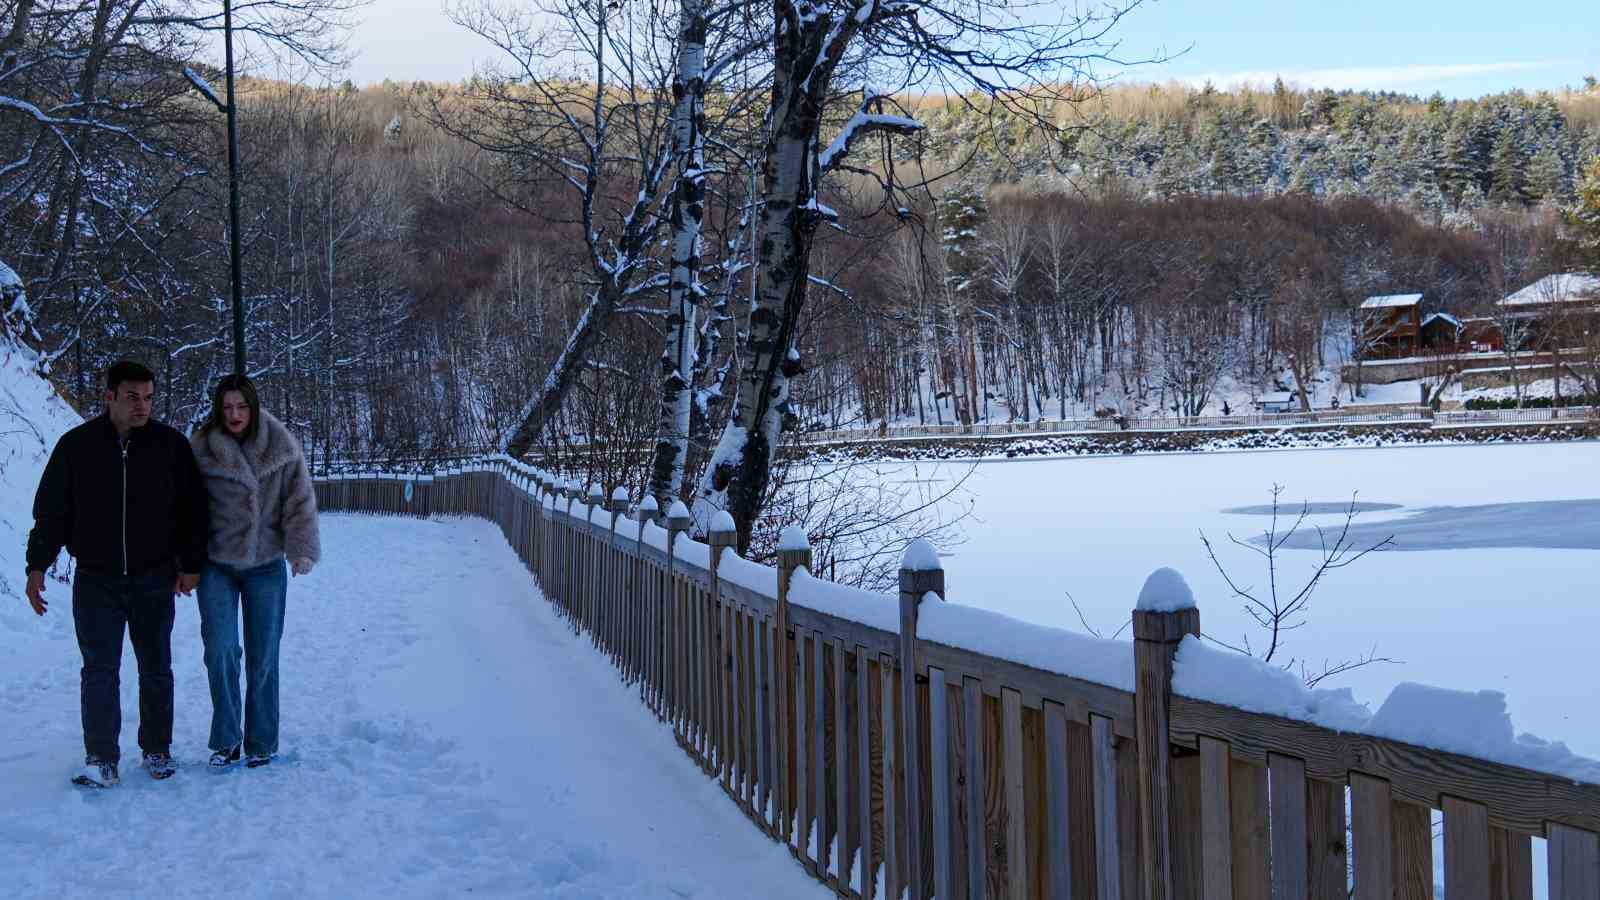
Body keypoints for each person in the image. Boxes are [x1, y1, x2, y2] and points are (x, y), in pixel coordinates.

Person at [25, 361, 210, 788]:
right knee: (99, 670)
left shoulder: (171, 446)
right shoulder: (76, 447)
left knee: (156, 667)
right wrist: (37, 566)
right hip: (96, 579)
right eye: (132, 396)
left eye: (148, 397)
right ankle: (101, 758)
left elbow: (193, 511)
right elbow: (51, 512)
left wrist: (191, 564)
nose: (142, 405)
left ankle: (157, 750)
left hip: (154, 576)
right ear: (109, 396)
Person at [191, 374, 320, 769]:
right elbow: (184, 507)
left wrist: (300, 550)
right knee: (221, 650)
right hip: (217, 565)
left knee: (263, 656)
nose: (234, 414)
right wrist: (182, 561)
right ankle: (226, 739)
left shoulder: (281, 446)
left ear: (253, 406)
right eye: (227, 407)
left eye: (241, 406)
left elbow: (299, 500)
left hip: (265, 566)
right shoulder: (201, 448)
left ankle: (261, 741)